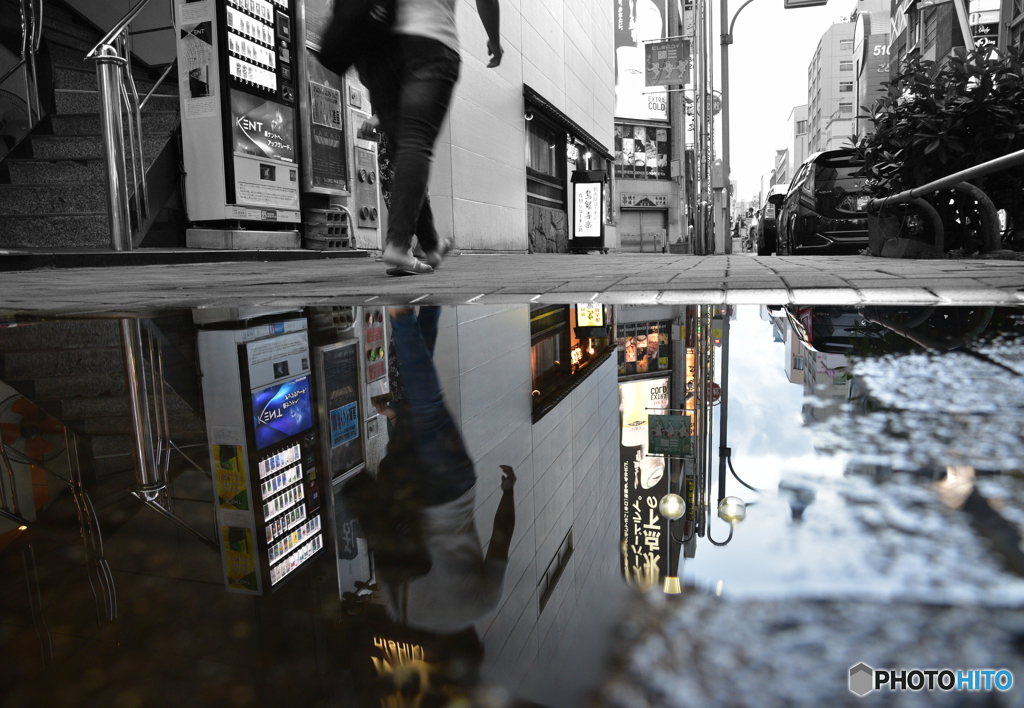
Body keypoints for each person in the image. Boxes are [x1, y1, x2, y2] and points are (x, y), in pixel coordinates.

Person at [372, 306, 517, 632]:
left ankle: (405, 315)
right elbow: (384, 545)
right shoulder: (402, 611)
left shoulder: (484, 603)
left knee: (428, 407)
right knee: (415, 404)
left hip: (453, 490)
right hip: (407, 487)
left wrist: (508, 492)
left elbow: (501, 537)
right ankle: (428, 305)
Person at [355, 0, 503, 276]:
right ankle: (399, 243)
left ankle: (431, 245)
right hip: (430, 42)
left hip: (378, 52)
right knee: (415, 144)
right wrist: (494, 40)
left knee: (405, 151)